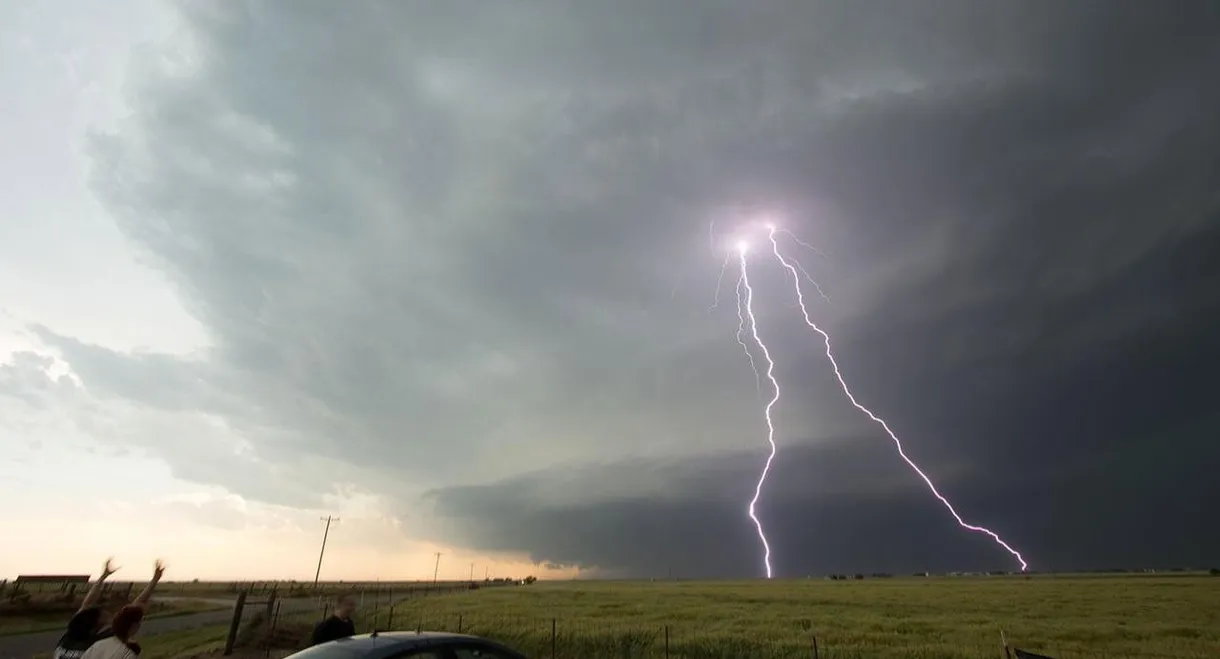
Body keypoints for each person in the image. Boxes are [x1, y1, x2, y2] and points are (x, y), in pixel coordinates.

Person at [53, 559, 165, 659]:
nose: (107, 614)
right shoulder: (96, 643)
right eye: (102, 617)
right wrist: (155, 579)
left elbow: (86, 605)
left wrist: (103, 576)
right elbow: (133, 608)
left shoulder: (67, 639)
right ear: (94, 627)